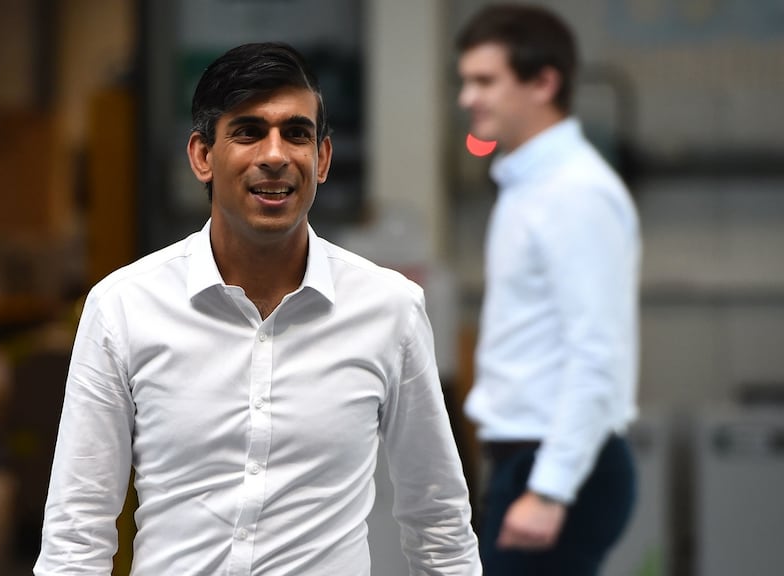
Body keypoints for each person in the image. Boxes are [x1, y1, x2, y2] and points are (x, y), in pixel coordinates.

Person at [34, 42, 481, 575]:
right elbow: (76, 530)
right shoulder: (123, 307)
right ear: (202, 156)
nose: (274, 155)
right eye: (248, 132)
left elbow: (438, 519)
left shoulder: (389, 309)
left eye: (296, 133)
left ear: (322, 158)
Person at [456, 4, 641, 575]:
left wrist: (550, 488)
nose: (467, 97)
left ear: (543, 82)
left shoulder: (574, 192)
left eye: (485, 81)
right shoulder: (528, 185)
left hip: (558, 467)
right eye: (466, 81)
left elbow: (597, 351)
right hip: (529, 459)